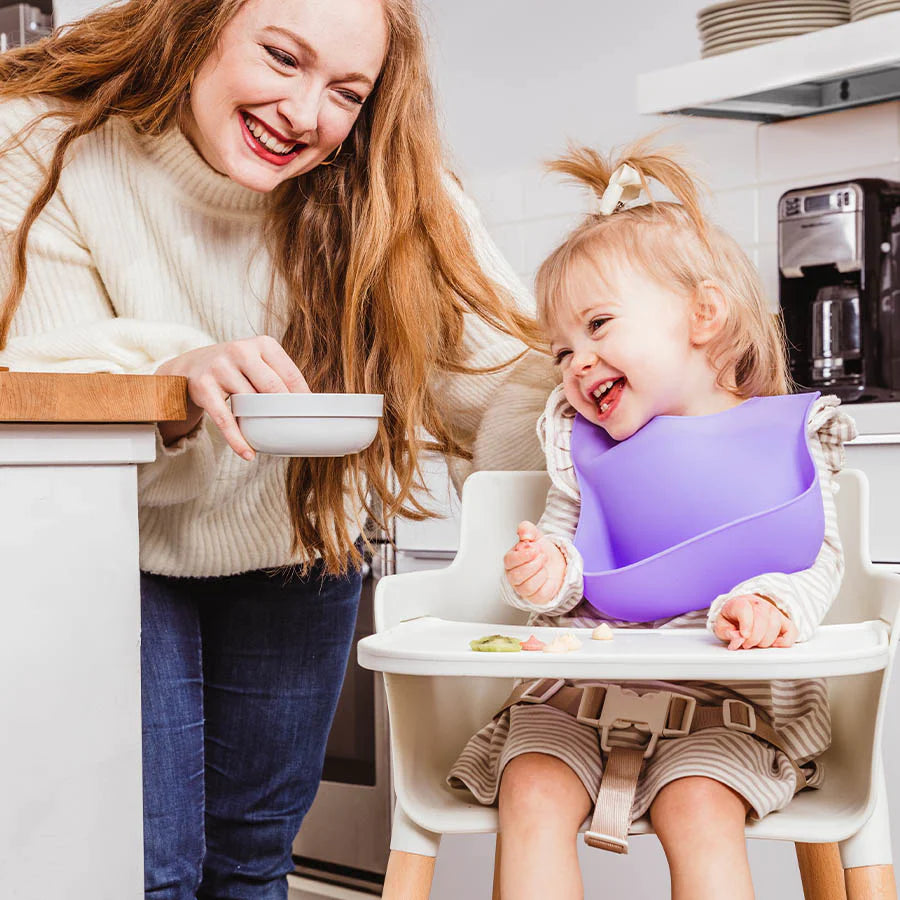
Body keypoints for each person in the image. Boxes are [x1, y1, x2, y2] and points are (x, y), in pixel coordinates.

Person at [0, 1, 554, 896]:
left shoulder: (388, 180)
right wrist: (170, 378)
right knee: (150, 869)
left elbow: (497, 382)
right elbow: (40, 379)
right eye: (282, 57)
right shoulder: (44, 143)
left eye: (345, 90)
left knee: (256, 857)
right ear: (197, 26)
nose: (306, 114)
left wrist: (611, 391)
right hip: (116, 550)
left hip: (302, 542)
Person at [448, 139, 858, 900]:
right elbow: (574, 558)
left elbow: (817, 559)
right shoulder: (579, 448)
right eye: (563, 347)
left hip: (728, 707)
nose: (576, 362)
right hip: (574, 697)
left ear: (703, 315)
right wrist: (547, 572)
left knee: (700, 808)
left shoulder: (788, 437)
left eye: (599, 326)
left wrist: (768, 605)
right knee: (530, 790)